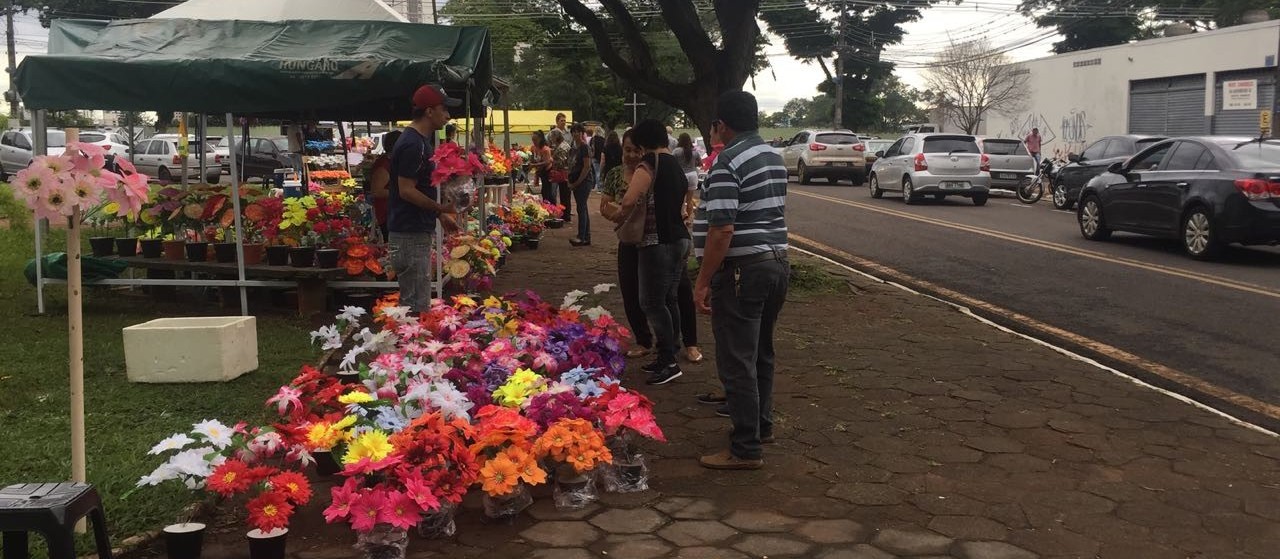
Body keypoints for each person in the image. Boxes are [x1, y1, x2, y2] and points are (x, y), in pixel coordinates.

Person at [694, 91, 789, 470]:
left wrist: (702, 281)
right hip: (776, 263)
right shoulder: (773, 157)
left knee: (736, 359)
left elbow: (722, 229)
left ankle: (746, 447)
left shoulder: (727, 162)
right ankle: (761, 426)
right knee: (761, 351)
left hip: (742, 271)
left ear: (722, 125)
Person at [602, 131, 706, 365]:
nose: (631, 154)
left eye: (635, 149)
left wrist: (623, 211)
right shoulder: (619, 173)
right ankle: (657, 346)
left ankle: (675, 349)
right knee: (643, 295)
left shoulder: (652, 166)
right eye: (626, 149)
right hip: (637, 239)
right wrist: (621, 217)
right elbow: (606, 205)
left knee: (663, 297)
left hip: (658, 241)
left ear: (644, 149)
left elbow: (629, 202)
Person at [621, 119, 692, 385]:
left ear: (643, 142)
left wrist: (619, 214)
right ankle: (670, 353)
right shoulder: (675, 163)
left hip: (656, 241)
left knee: (651, 302)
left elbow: (629, 198)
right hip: (680, 239)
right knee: (669, 299)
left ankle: (668, 359)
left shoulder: (649, 162)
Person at [389, 84, 460, 314]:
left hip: (413, 230)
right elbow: (406, 190)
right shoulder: (413, 144)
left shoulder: (420, 142)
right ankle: (407, 349)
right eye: (444, 109)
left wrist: (439, 214)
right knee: (414, 308)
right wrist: (439, 207)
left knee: (418, 303)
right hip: (409, 232)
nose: (448, 116)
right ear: (429, 111)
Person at [366, 129, 402, 240]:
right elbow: (377, 191)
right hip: (389, 215)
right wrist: (403, 192)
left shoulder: (393, 162)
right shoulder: (384, 164)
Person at [568, 123, 595, 246]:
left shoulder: (584, 148)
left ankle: (581, 236)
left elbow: (586, 166)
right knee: (582, 207)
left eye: (578, 131)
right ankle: (586, 236)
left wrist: (578, 182)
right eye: (573, 132)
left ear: (582, 133)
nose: (575, 134)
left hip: (584, 181)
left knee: (581, 207)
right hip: (575, 181)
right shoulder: (573, 148)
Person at [550, 129, 572, 222]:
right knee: (565, 195)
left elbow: (561, 162)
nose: (551, 139)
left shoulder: (562, 147)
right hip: (565, 173)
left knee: (564, 195)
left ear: (557, 137)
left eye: (552, 137)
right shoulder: (564, 145)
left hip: (563, 173)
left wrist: (552, 161)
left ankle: (565, 215)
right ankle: (565, 214)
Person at [530, 130, 553, 200]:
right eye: (533, 140)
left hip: (547, 171)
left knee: (546, 191)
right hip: (540, 171)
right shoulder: (534, 148)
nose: (534, 142)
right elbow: (534, 158)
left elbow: (547, 162)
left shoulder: (545, 149)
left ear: (540, 139)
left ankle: (550, 207)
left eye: (535, 140)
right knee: (544, 191)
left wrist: (534, 165)